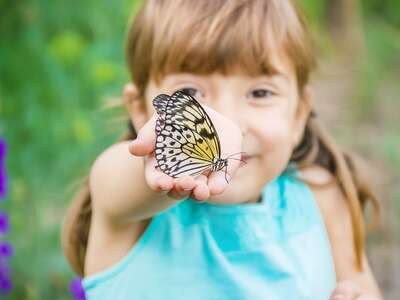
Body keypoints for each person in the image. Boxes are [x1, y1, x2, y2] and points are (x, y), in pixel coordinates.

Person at [61, 0, 383, 299]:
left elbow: (362, 288)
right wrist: (168, 150)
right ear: (141, 110)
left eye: (260, 92)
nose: (231, 122)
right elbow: (114, 178)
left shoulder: (321, 196)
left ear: (299, 114)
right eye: (190, 91)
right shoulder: (125, 204)